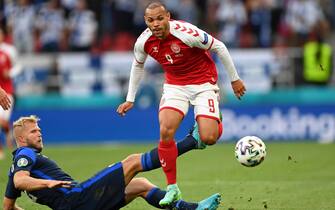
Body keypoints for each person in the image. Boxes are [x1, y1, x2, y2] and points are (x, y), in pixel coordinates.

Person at [117, 1, 246, 206]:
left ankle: (212, 120)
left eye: (160, 18)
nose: (156, 24)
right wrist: (130, 98)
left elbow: (219, 46)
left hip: (203, 83)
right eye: (151, 20)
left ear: (168, 16)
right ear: (145, 21)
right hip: (175, 86)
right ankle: (172, 188)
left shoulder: (187, 33)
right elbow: (137, 65)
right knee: (166, 130)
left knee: (209, 137)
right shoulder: (143, 42)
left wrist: (234, 79)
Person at [3, 115, 221, 210]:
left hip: (77, 205)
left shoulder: (15, 167)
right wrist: (47, 184)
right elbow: (22, 181)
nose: (39, 134)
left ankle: (192, 209)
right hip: (78, 199)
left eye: (39, 130)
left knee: (140, 185)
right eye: (34, 132)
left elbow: (8, 207)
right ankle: (193, 141)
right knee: (133, 162)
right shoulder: (25, 154)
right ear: (21, 139)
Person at [0, 27, 21, 159]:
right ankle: (0, 150)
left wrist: (10, 73)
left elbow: (18, 66)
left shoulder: (8, 51)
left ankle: (7, 132)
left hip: (7, 92)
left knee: (2, 122)